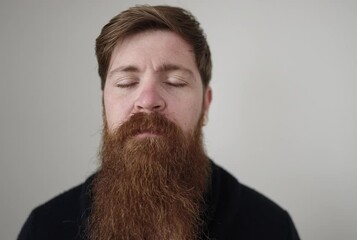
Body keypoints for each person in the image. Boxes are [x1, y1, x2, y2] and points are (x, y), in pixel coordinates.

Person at [18, 5, 300, 240]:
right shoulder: (45, 229)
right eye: (127, 82)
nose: (148, 100)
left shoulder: (269, 227)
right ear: (104, 103)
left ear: (206, 103)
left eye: (175, 82)